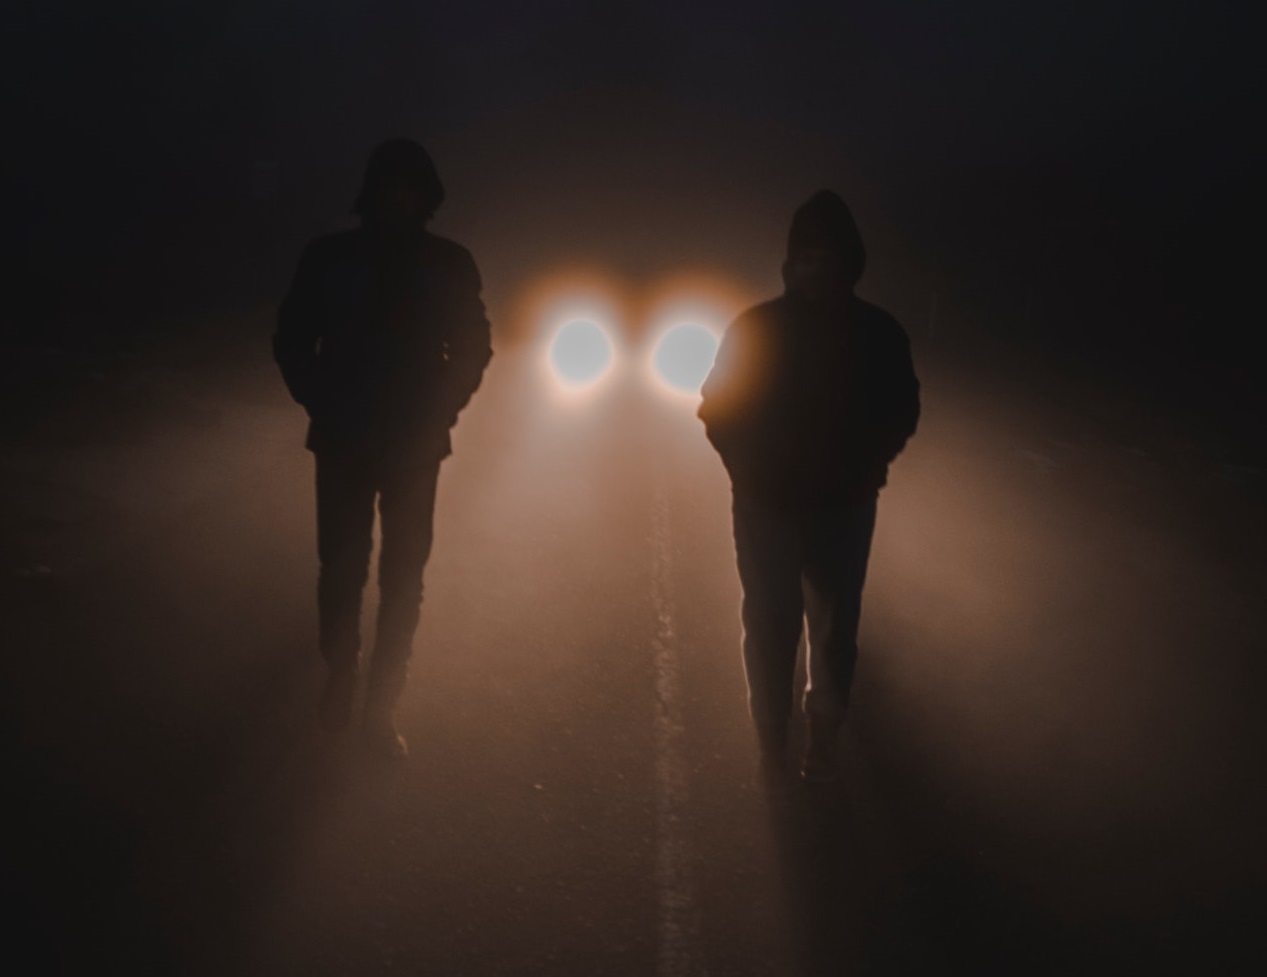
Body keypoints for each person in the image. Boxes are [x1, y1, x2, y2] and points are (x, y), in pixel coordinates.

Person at [274, 139, 492, 758]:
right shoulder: (334, 258)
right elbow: (292, 339)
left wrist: (441, 408)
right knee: (346, 572)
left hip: (406, 443)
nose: (401, 199)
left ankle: (377, 705)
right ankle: (347, 681)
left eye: (409, 187)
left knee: (398, 578)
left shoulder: (443, 263)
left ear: (425, 195)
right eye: (393, 186)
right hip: (357, 438)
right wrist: (320, 400)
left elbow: (473, 346)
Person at [698, 190, 920, 787]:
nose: (813, 268)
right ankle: (773, 745)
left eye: (825, 257)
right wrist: (747, 473)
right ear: (790, 262)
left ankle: (822, 741)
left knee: (834, 628)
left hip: (843, 506)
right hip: (768, 504)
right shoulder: (758, 327)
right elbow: (716, 408)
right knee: (771, 624)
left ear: (850, 261)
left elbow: (901, 410)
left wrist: (868, 468)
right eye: (804, 257)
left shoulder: (878, 334)